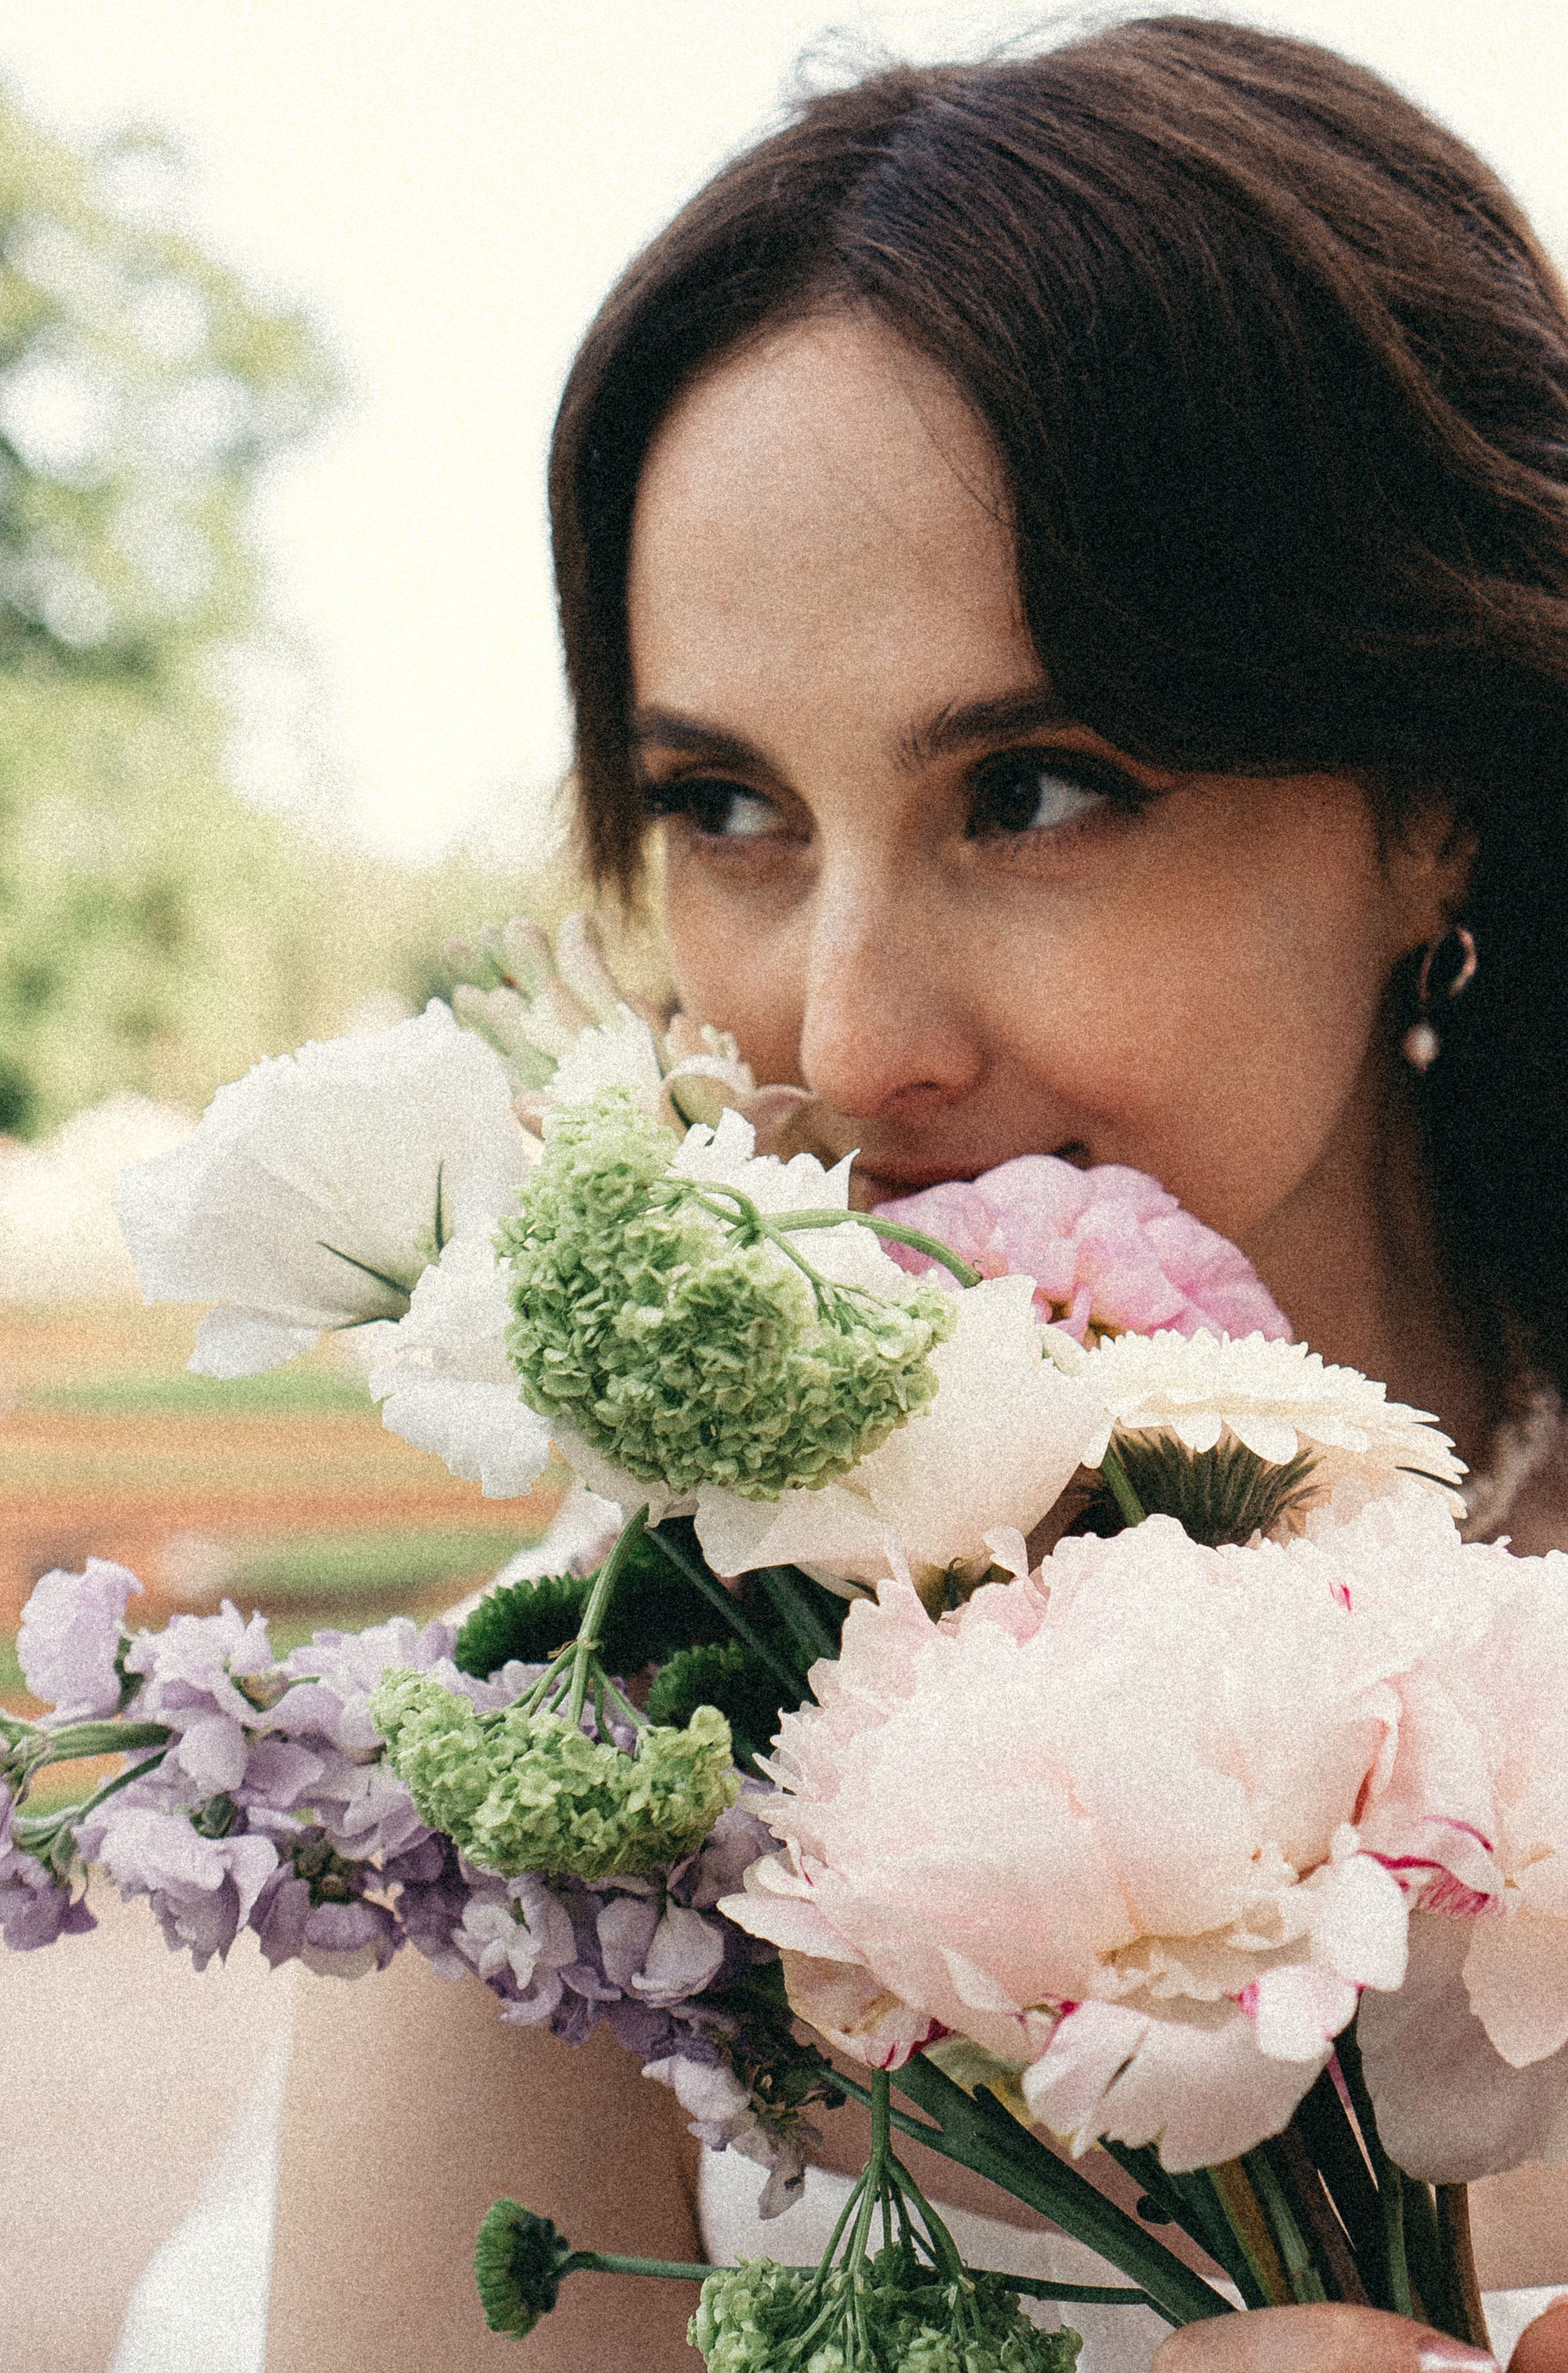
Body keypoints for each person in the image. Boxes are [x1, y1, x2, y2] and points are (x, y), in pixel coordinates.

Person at [264, 17, 1568, 2371]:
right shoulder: (601, 1774)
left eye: (1040, 786)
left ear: (1440, 794)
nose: (846, 1036)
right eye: (728, 808)